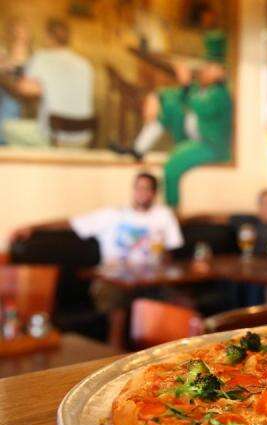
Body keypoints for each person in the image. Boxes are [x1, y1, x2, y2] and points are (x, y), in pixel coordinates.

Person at [10, 172, 184, 347]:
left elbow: (170, 252)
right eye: (139, 188)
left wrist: (163, 266)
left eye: (147, 189)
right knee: (117, 301)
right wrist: (33, 227)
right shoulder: (114, 215)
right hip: (112, 280)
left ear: (154, 192)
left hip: (151, 282)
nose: (142, 192)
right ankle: (114, 350)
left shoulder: (164, 215)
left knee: (179, 302)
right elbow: (71, 223)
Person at [110, 30, 232, 207]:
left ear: (221, 72)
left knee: (172, 168)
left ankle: (172, 209)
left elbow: (202, 108)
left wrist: (186, 85)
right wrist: (155, 97)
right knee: (167, 108)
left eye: (209, 67)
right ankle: (138, 150)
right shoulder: (200, 89)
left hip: (210, 145)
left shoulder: (220, 95)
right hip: (191, 137)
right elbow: (174, 96)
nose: (203, 70)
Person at [2, 18, 93, 147]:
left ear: (48, 36)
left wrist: (3, 77)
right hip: (83, 137)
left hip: (54, 137)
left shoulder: (42, 57)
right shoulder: (85, 64)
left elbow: (24, 90)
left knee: (5, 128)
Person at [0, 18, 32, 145]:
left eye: (23, 30)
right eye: (17, 30)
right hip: (7, 95)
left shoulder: (34, 57)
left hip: (22, 98)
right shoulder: (4, 52)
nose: (20, 34)